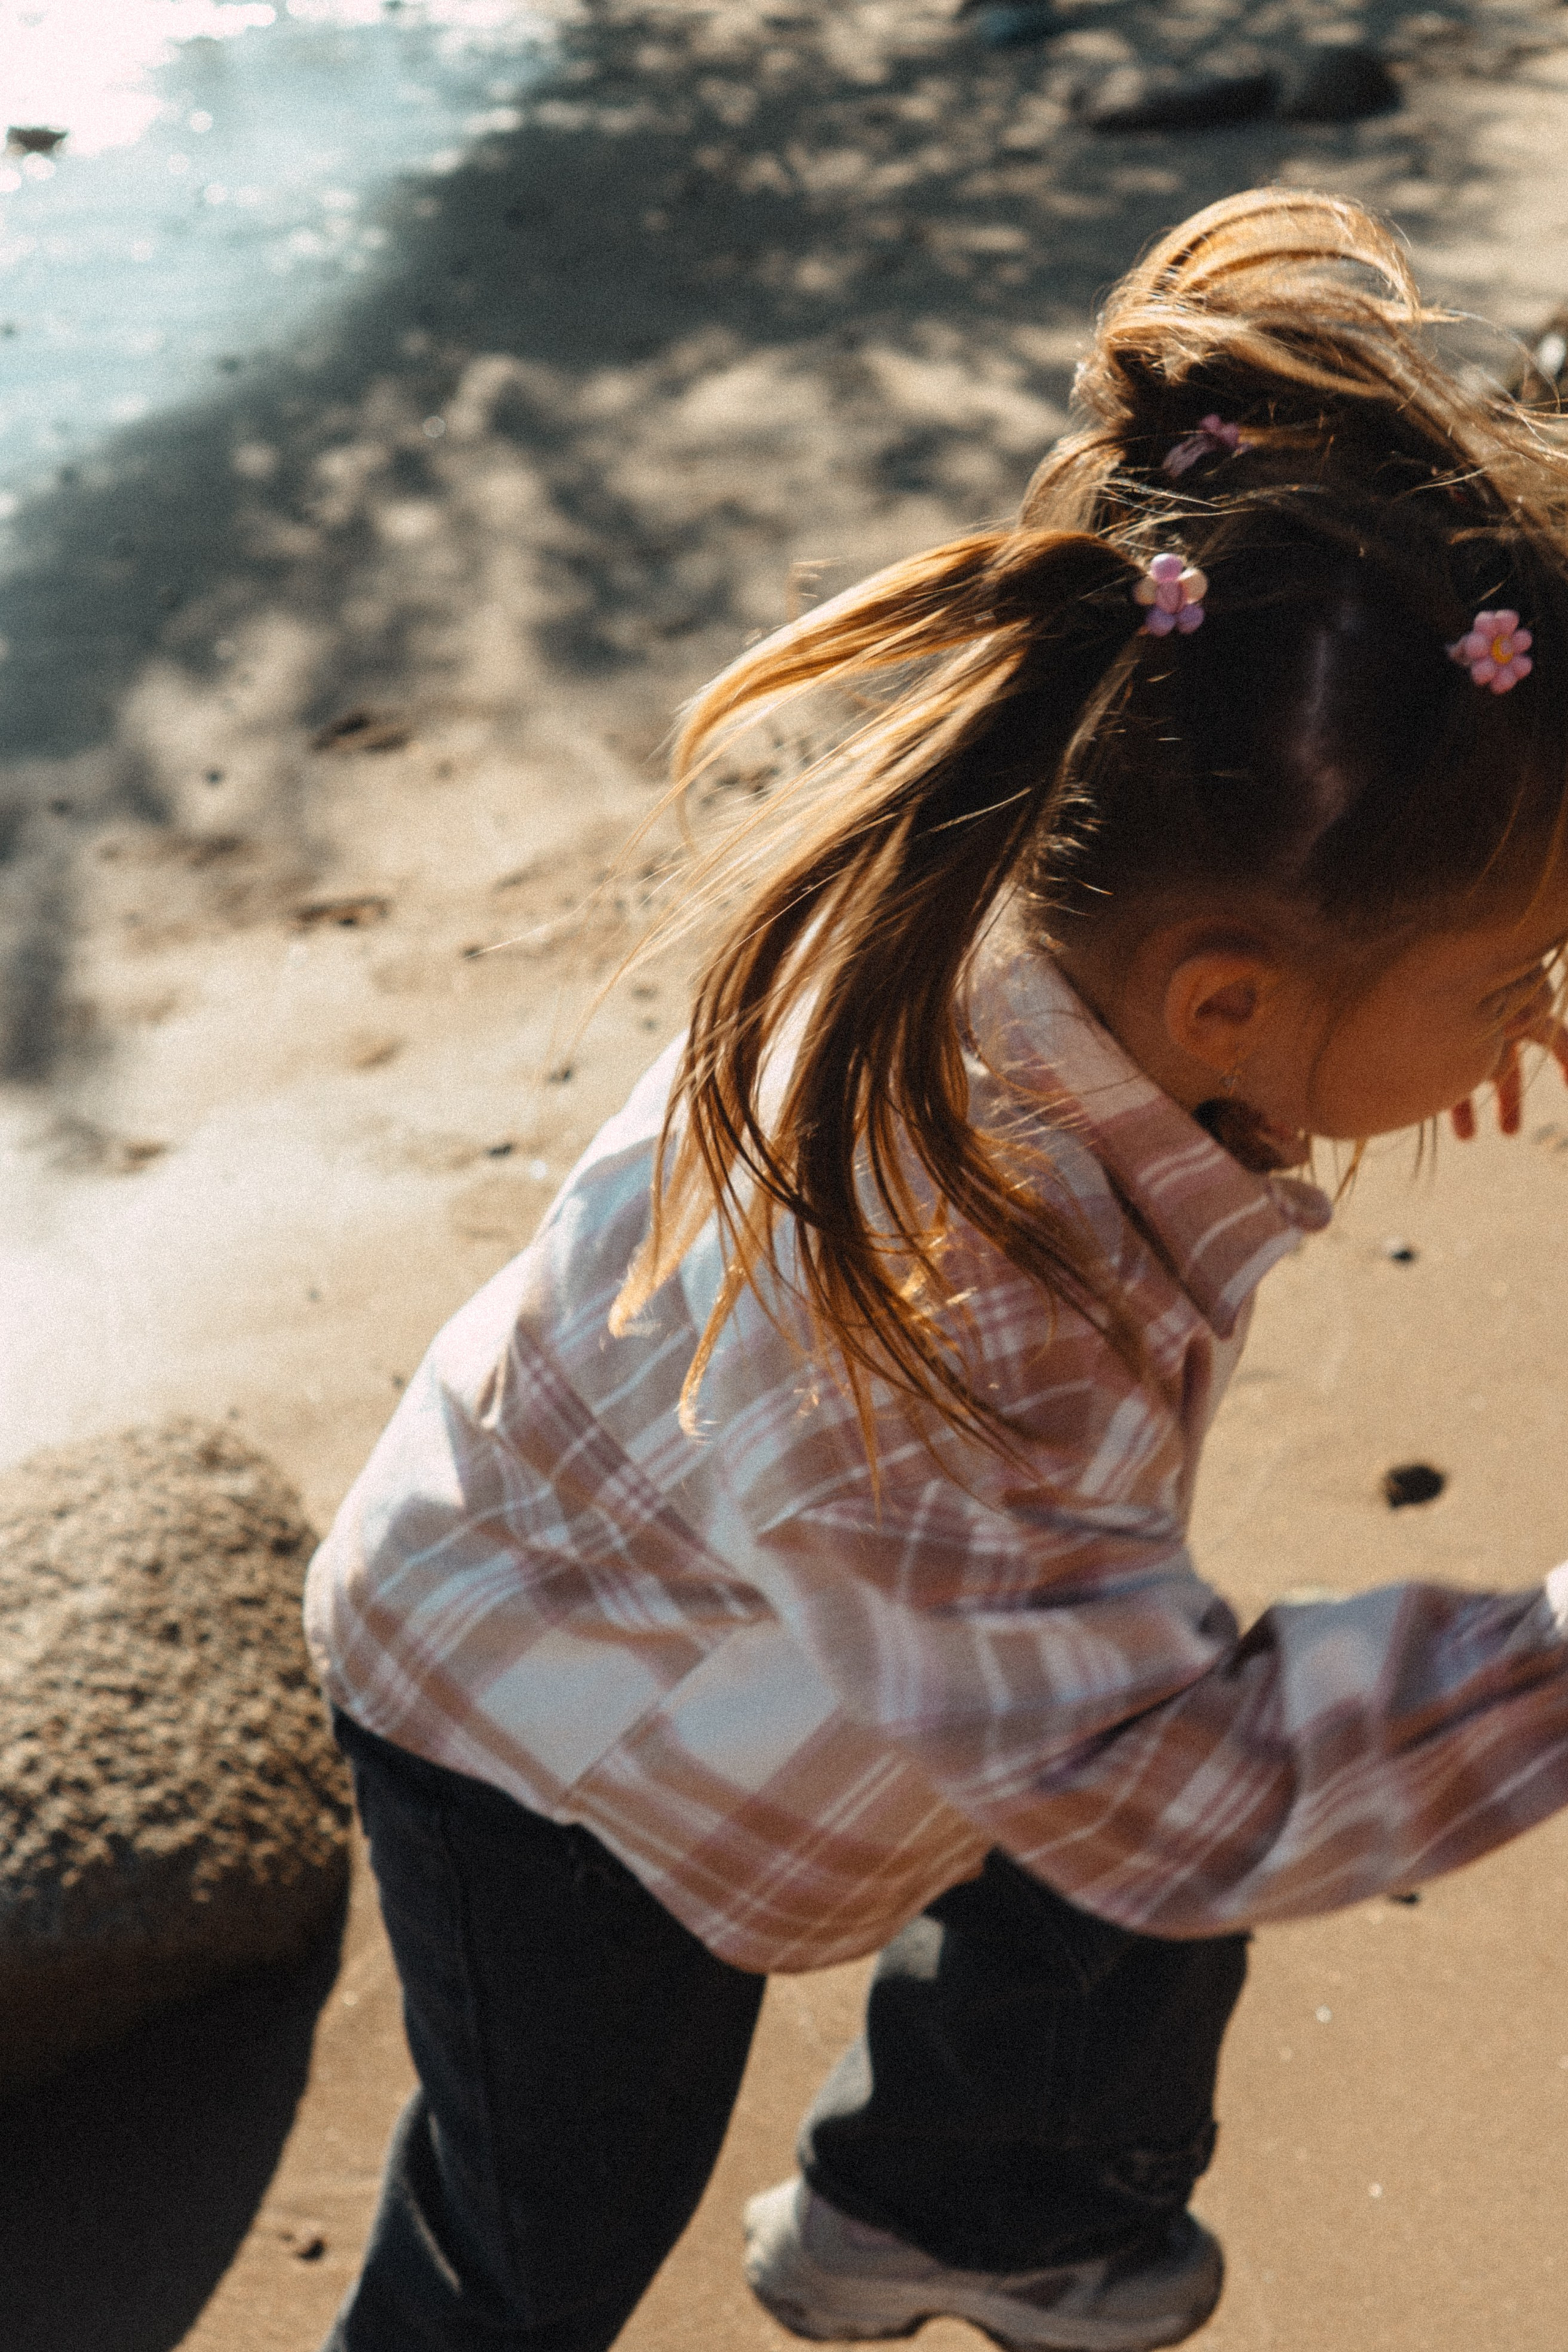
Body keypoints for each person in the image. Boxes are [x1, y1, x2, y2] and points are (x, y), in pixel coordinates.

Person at [304, 187, 1568, 2352]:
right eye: (1515, 977)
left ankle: (954, 2203)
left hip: (818, 1635)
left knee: (1125, 1804)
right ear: (1232, 1002)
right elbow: (1188, 1799)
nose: (1538, 1025)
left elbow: (1115, 1732)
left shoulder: (1061, 928)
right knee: (540, 2233)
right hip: (551, 1750)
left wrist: (1342, 1067)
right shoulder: (955, 1319)